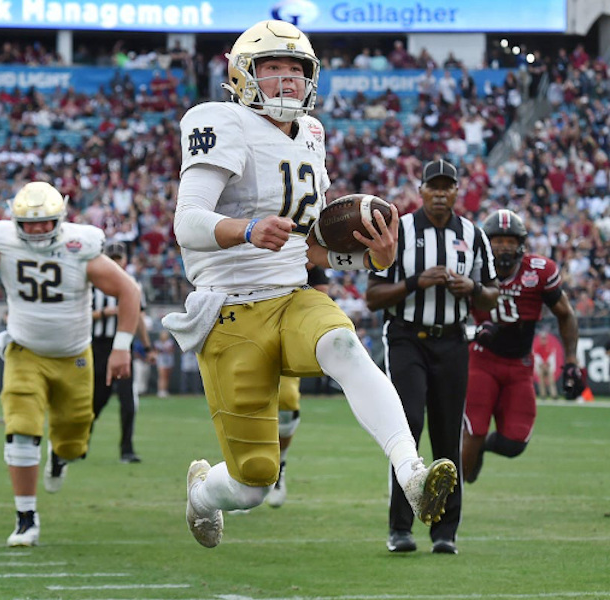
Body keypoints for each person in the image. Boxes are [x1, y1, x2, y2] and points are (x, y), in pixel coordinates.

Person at [166, 19, 457, 551]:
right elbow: (187, 222)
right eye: (272, 67)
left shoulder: (312, 134)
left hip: (293, 298)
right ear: (243, 74)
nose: (286, 80)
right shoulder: (217, 120)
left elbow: (313, 248)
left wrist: (374, 258)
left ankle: (411, 472)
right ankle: (204, 493)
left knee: (344, 344)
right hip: (230, 313)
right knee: (254, 483)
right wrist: (247, 229)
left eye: (296, 70)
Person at [0, 181, 140, 547]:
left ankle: (59, 457)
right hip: (24, 350)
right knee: (21, 428)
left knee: (73, 440)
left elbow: (129, 290)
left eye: (44, 222)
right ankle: (25, 518)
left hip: (74, 356)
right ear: (15, 221)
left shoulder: (80, 247)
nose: (35, 229)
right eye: (29, 223)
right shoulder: (5, 243)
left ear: (60, 219)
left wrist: (122, 347)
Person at [366, 158, 499, 555]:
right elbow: (372, 296)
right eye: (433, 186)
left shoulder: (474, 234)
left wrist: (471, 288)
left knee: (446, 434)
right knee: (407, 425)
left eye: (448, 187)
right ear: (420, 190)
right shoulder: (400, 231)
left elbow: (492, 294)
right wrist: (414, 282)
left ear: (458, 192)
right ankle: (400, 528)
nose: (441, 194)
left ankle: (445, 532)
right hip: (407, 336)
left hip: (453, 340)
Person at [462, 209, 582, 484]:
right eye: (498, 240)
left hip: (520, 364)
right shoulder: (472, 268)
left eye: (510, 240)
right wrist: (474, 330)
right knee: (475, 430)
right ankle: (451, 509)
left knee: (515, 442)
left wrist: (572, 361)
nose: (505, 246)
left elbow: (565, 313)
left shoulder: (540, 271)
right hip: (482, 359)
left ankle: (482, 448)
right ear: (486, 242)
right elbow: (449, 314)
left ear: (521, 243)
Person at [264, 263, 330, 509]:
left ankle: (278, 465)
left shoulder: (299, 245)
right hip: (243, 326)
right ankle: (241, 475)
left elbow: (321, 292)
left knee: (288, 402)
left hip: (283, 332)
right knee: (241, 402)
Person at [90, 241, 152, 464]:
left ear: (125, 260)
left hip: (123, 346)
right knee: (95, 400)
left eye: (119, 258)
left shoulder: (132, 285)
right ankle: (79, 444)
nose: (116, 262)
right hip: (98, 347)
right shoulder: (92, 283)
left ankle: (127, 449)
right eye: (112, 258)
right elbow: (80, 317)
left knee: (128, 402)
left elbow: (139, 319)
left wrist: (147, 346)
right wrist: (106, 313)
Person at [153, 330, 176, 398]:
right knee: (162, 376)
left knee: (166, 376)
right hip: (161, 361)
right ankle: (160, 391)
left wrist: (166, 350)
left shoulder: (170, 342)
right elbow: (156, 351)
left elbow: (171, 350)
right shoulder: (157, 343)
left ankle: (165, 390)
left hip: (169, 360)